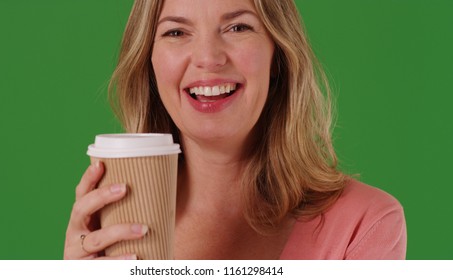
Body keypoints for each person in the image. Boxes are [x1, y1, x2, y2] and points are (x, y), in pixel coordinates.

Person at [64, 0, 406, 260]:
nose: (208, 58)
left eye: (238, 27)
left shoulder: (365, 225)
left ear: (278, 55)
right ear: (149, 63)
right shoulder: (113, 223)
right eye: (176, 32)